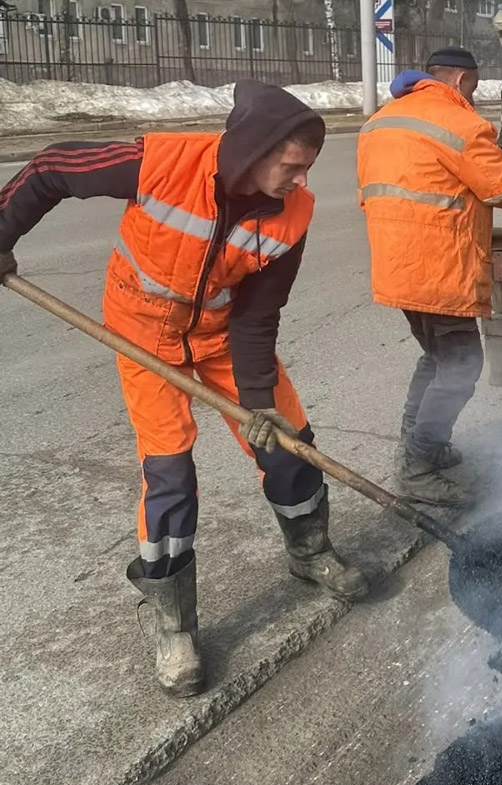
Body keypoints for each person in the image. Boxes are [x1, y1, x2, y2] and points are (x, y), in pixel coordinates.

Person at [0, 81, 368, 698]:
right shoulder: (162, 162)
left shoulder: (293, 213)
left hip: (223, 336)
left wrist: (258, 402)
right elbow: (51, 168)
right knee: (169, 471)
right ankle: (173, 625)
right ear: (254, 150)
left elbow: (259, 314)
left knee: (287, 442)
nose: (302, 179)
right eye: (293, 165)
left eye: (308, 167)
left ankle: (310, 551)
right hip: (144, 333)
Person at [357, 47, 502, 508]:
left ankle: (417, 446)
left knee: (437, 358)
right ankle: (419, 469)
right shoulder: (459, 124)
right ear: (458, 80)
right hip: (440, 269)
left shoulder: (380, 121)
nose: (472, 95)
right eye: (472, 85)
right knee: (461, 365)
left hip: (397, 267)